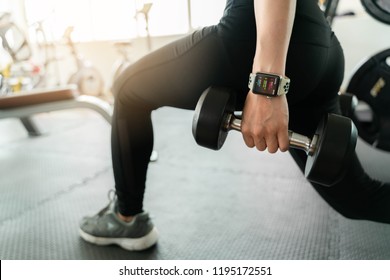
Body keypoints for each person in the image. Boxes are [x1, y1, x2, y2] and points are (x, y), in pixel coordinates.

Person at [79, 0, 390, 251]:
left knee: (127, 89)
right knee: (357, 197)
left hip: (253, 37)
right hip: (322, 48)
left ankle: (126, 216)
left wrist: (268, 86)